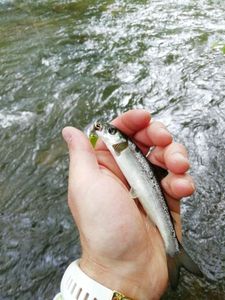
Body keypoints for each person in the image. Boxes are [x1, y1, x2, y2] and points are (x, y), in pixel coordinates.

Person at [55, 109, 195, 300]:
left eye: (111, 133)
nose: (105, 132)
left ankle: (174, 250)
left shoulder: (121, 147)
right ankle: (174, 251)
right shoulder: (115, 149)